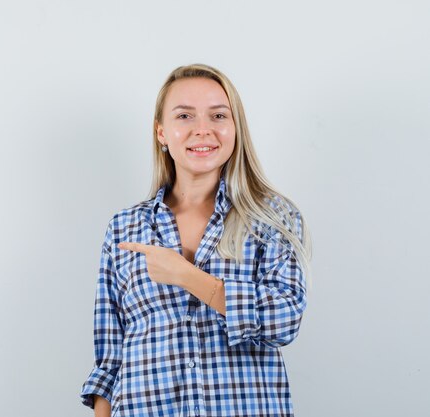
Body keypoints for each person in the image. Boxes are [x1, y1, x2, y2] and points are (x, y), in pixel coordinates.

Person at [80, 63, 312, 417]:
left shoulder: (272, 218)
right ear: (162, 132)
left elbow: (284, 318)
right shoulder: (124, 228)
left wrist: (188, 276)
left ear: (235, 129)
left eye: (218, 115)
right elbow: (110, 357)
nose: (203, 130)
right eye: (185, 116)